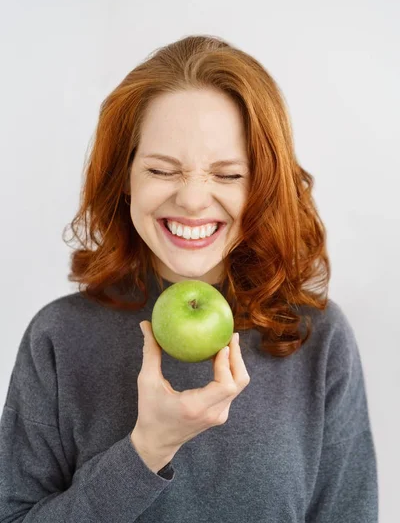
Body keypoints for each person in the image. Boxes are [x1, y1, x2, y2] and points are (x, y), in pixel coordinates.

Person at [0, 35, 378, 522]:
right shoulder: (59, 337)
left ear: (263, 186)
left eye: (227, 175)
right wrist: (147, 449)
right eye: (162, 169)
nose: (194, 201)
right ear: (125, 179)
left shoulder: (315, 338)